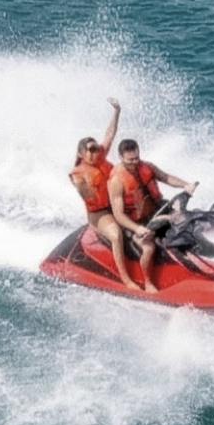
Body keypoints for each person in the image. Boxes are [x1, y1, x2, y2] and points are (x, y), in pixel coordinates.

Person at [109, 138, 197, 290]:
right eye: (130, 160)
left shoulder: (148, 167)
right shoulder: (117, 181)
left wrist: (185, 185)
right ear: (121, 157)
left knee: (187, 219)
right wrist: (137, 229)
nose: (134, 162)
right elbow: (119, 215)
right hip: (134, 222)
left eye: (136, 158)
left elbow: (166, 177)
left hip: (156, 212)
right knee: (148, 246)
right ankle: (148, 282)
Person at [68, 98, 136, 290]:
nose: (95, 152)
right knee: (116, 235)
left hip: (118, 204)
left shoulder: (101, 157)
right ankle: (125, 279)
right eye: (90, 150)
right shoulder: (78, 173)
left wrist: (117, 111)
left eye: (96, 148)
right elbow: (87, 195)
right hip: (100, 214)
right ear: (81, 154)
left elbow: (109, 134)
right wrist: (81, 186)